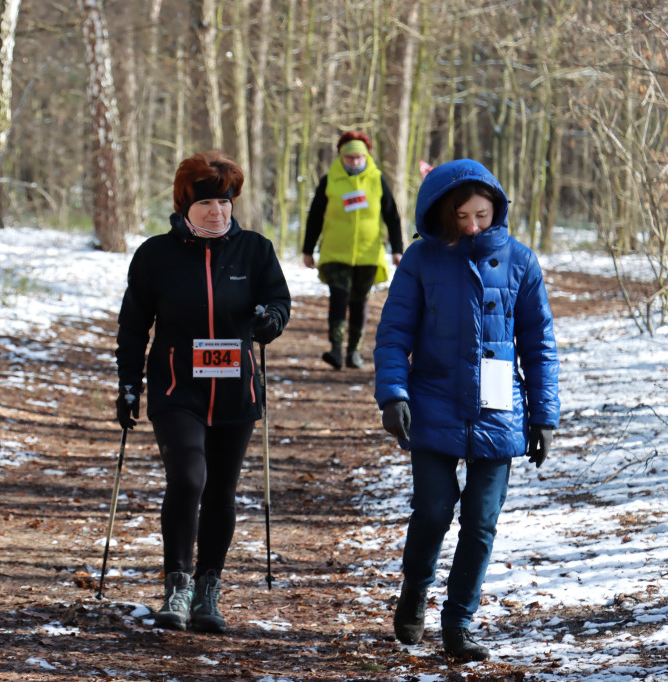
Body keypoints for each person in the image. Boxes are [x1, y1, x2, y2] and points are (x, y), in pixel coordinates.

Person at [373, 159, 560, 660]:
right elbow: (393, 334)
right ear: (442, 214)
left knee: (481, 520)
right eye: (462, 216)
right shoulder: (419, 260)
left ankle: (458, 622)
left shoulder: (520, 261)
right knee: (434, 508)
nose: (473, 225)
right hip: (432, 401)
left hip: (499, 410)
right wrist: (393, 395)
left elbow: (539, 343)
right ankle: (415, 589)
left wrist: (543, 416)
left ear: (496, 208)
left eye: (482, 214)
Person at [115, 151, 291, 633]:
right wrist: (128, 382)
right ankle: (178, 584)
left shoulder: (255, 250)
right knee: (189, 478)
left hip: (235, 391)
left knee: (220, 491)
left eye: (225, 202)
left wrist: (270, 320)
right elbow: (133, 326)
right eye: (207, 203)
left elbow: (278, 300)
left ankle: (208, 587)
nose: (218, 212)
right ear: (185, 205)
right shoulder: (156, 255)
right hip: (178, 389)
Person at [302, 130, 405, 370]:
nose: (354, 162)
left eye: (359, 158)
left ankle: (354, 352)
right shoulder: (330, 180)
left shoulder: (377, 180)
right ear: (341, 157)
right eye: (350, 158)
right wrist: (308, 249)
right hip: (336, 252)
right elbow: (315, 216)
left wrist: (397, 249)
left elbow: (392, 216)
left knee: (360, 302)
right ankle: (336, 349)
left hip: (368, 253)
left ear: (366, 157)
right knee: (338, 298)